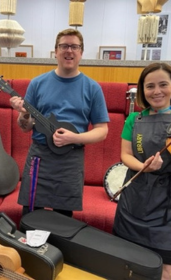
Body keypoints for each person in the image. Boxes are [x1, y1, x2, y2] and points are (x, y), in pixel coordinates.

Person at [10, 28, 109, 218]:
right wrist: (23, 114)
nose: (69, 51)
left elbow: (102, 131)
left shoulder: (92, 88)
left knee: (63, 222)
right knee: (31, 217)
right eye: (64, 46)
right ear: (55, 51)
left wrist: (75, 137)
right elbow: (25, 127)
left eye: (74, 46)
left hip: (70, 160)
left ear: (81, 52)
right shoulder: (38, 83)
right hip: (40, 158)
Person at [113, 62, 171, 280]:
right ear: (143, 89)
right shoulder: (134, 119)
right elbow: (125, 155)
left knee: (166, 269)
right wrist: (142, 167)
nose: (157, 91)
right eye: (150, 86)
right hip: (135, 198)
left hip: (170, 207)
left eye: (163, 84)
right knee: (127, 263)